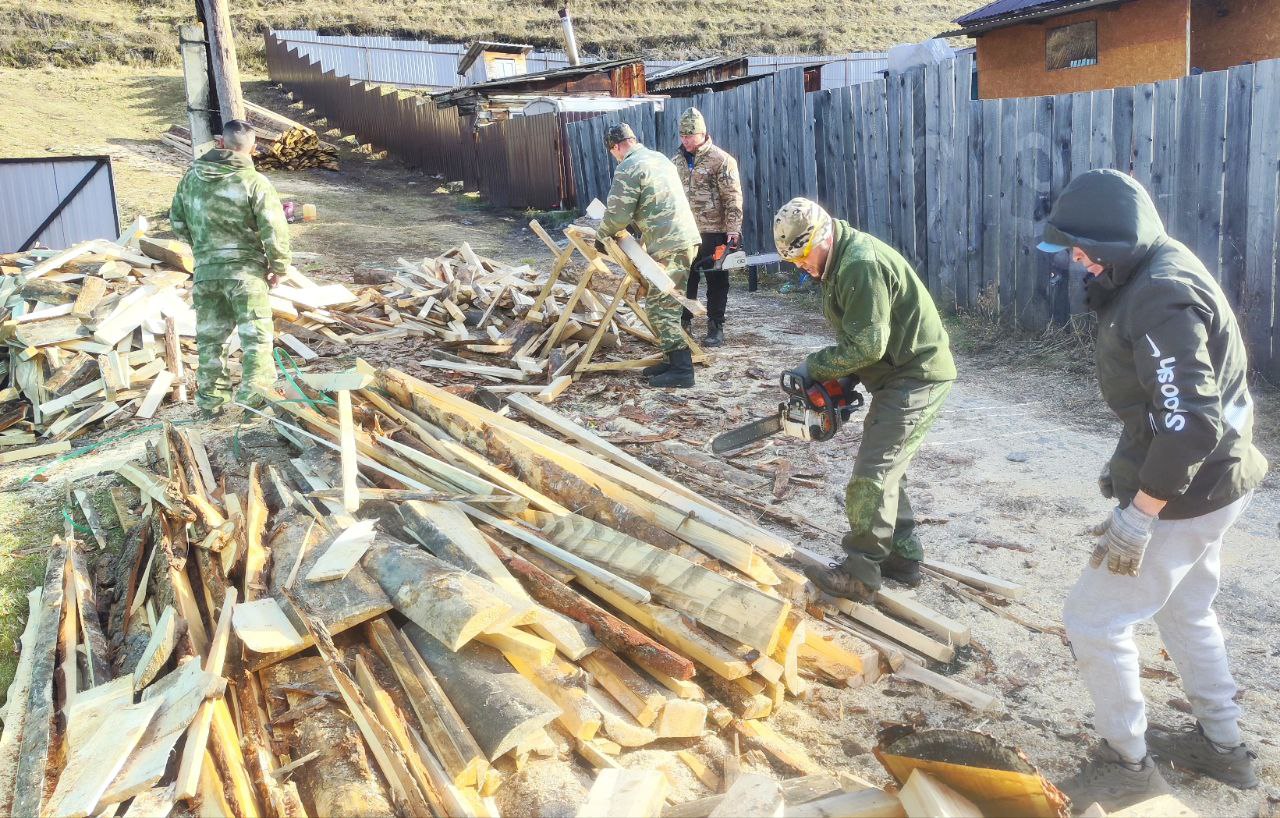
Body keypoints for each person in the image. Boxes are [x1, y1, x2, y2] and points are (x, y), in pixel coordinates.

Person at [1042, 170, 1266, 812]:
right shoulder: (1155, 264)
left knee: (1093, 617)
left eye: (1081, 250)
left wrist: (1140, 515)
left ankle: (1127, 765)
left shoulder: (1160, 292)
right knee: (1185, 608)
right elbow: (1177, 410)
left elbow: (1189, 423)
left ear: (1112, 242)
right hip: (1217, 480)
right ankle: (1223, 747)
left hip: (1189, 491)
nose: (1075, 262)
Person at [773, 198, 956, 601]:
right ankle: (901, 557)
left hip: (916, 375)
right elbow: (865, 336)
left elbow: (869, 345)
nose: (801, 266)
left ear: (823, 236)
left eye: (803, 256)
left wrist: (816, 367)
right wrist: (845, 379)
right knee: (888, 466)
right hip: (896, 372)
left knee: (871, 475)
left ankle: (860, 574)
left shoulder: (859, 263)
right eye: (793, 260)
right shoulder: (837, 262)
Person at [170, 119, 290, 417]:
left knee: (211, 342)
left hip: (206, 273)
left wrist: (204, 250)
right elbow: (274, 229)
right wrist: (279, 266)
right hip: (245, 275)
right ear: (253, 149)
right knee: (256, 340)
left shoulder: (190, 180)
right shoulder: (255, 182)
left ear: (220, 143)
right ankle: (254, 403)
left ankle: (211, 405)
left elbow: (177, 222)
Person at [595, 123, 701, 388]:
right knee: (663, 303)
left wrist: (602, 235)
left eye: (613, 152)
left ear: (616, 147)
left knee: (660, 306)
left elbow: (618, 213)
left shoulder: (629, 166)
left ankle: (682, 370)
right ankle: (670, 360)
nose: (615, 156)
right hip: (679, 238)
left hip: (670, 243)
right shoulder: (658, 158)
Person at [672, 107, 743, 347]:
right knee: (685, 280)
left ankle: (715, 326)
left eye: (690, 136)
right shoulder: (676, 162)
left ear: (702, 134)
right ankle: (684, 322)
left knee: (717, 281)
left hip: (714, 232)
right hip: (685, 232)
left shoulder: (721, 160)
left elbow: (733, 197)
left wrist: (733, 230)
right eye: (682, 136)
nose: (685, 140)